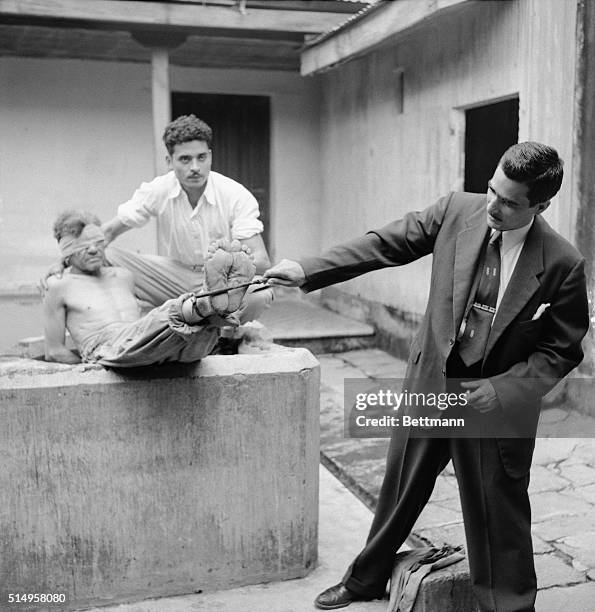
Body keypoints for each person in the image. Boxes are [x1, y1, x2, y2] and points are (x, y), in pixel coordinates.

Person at [264, 142, 589, 612]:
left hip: (492, 403)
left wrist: (504, 389)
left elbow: (561, 349)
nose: (493, 206)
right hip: (430, 384)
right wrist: (307, 269)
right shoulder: (457, 211)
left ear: (541, 205)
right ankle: (365, 579)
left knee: (499, 509)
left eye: (510, 201)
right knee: (400, 488)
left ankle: (510, 605)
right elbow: (384, 244)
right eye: (492, 189)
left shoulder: (562, 262)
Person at [42, 114, 273, 325]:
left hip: (222, 282)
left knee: (261, 293)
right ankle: (109, 324)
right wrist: (64, 260)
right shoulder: (159, 189)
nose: (195, 167)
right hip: (175, 277)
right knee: (108, 255)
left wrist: (225, 273)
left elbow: (261, 260)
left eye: (201, 157)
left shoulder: (235, 194)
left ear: (210, 156)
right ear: (169, 161)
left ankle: (219, 332)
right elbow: (108, 232)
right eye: (184, 159)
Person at [44, 210, 256, 367]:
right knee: (167, 315)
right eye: (82, 247)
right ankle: (205, 300)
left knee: (196, 341)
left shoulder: (123, 275)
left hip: (144, 342)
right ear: (66, 251)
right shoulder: (59, 286)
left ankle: (216, 308)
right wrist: (87, 365)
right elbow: (54, 351)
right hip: (106, 349)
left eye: (98, 242)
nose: (93, 250)